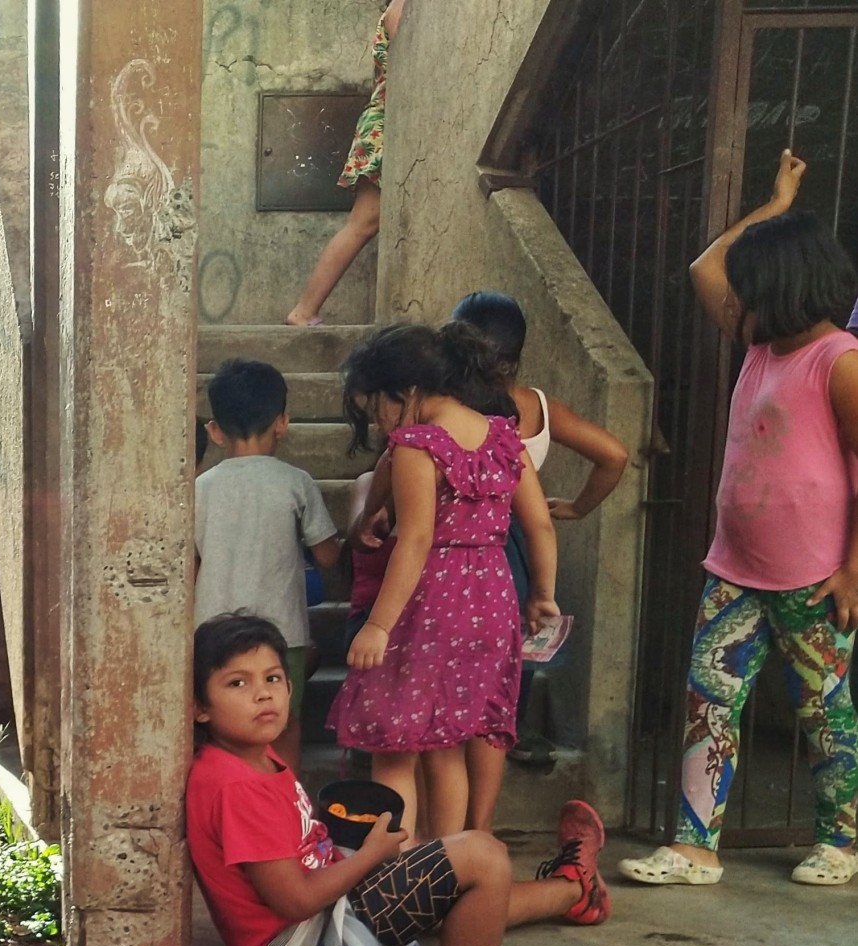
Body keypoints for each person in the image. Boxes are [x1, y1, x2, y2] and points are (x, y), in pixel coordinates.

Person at [187, 614, 605, 946]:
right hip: (305, 931)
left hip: (326, 902)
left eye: (273, 678)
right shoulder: (234, 786)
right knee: (483, 855)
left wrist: (361, 853)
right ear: (201, 706)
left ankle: (575, 889)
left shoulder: (256, 757)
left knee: (469, 898)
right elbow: (293, 901)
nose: (263, 693)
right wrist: (372, 855)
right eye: (237, 683)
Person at [620, 150, 858, 888]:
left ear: (781, 288)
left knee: (824, 710)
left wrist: (854, 567)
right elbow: (705, 265)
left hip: (814, 576)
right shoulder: (759, 347)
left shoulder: (838, 359)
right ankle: (696, 846)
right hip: (736, 566)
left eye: (751, 290)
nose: (736, 301)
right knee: (709, 697)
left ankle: (840, 840)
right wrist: (777, 201)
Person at [328, 323, 564, 846]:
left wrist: (377, 625)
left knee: (394, 745)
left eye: (377, 410)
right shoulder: (504, 436)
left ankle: (399, 868)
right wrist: (542, 594)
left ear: (405, 392)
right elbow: (541, 525)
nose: (380, 424)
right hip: (492, 595)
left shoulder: (419, 444)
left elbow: (414, 540)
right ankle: (447, 867)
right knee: (449, 744)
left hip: (430, 600)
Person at [452, 290, 630, 765]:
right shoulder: (537, 407)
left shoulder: (448, 407)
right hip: (523, 540)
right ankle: (508, 728)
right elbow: (614, 455)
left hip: (460, 544)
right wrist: (576, 507)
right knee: (515, 644)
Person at [196, 358, 341, 776]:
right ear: (283, 422)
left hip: (211, 631)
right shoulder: (296, 483)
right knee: (282, 723)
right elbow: (329, 554)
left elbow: (189, 565)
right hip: (282, 633)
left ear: (215, 430)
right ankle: (285, 804)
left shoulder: (198, 489)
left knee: (220, 726)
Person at [285, 0, 406, 326]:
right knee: (363, 223)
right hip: (387, 126)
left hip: (389, 124)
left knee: (363, 223)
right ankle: (304, 311)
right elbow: (412, 66)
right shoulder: (404, 8)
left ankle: (304, 310)